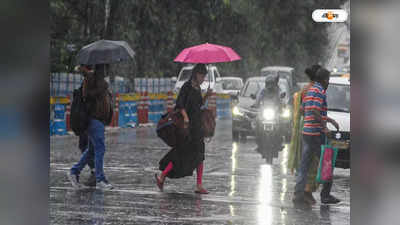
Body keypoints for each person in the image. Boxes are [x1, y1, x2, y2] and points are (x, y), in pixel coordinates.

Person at [155, 63, 211, 194]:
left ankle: (199, 185)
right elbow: (180, 104)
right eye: (202, 75)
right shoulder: (186, 86)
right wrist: (185, 117)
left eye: (204, 76)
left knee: (200, 155)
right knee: (180, 155)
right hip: (187, 128)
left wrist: (206, 96)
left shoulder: (197, 88)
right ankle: (162, 176)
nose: (203, 79)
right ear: (196, 74)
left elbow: (198, 104)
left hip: (197, 127)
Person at [292, 67, 341, 206]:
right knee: (327, 162)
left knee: (304, 165)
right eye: (328, 80)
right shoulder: (319, 91)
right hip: (315, 134)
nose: (328, 83)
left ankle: (298, 194)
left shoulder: (310, 90)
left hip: (306, 132)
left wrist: (329, 120)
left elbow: (303, 110)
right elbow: (314, 110)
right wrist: (324, 127)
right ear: (325, 80)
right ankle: (325, 195)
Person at [68, 64, 114, 190]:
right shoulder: (90, 79)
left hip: (100, 120)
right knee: (100, 149)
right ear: (99, 68)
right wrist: (103, 87)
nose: (105, 71)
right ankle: (100, 179)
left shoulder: (99, 81)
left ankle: (74, 171)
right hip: (94, 119)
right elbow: (88, 96)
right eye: (103, 68)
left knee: (92, 150)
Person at [287, 64, 321, 205]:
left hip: (303, 127)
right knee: (311, 162)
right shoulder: (313, 90)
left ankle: (302, 192)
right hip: (310, 129)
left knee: (305, 161)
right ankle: (305, 191)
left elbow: (300, 109)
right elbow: (307, 109)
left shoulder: (305, 89)